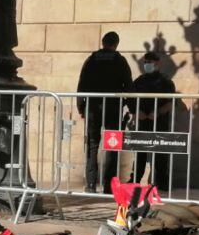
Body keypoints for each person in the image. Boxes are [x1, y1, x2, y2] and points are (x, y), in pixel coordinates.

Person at [76, 31, 133, 194]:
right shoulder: (120, 61)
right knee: (112, 146)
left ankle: (91, 185)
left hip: (93, 108)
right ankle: (109, 186)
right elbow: (128, 86)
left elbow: (82, 84)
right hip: (113, 109)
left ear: (103, 42)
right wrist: (132, 108)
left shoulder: (91, 60)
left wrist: (81, 107)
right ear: (116, 44)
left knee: (93, 145)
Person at [129, 50, 177, 193]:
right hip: (143, 122)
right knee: (140, 153)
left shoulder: (166, 82)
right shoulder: (139, 81)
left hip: (160, 122)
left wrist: (158, 113)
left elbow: (170, 102)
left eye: (149, 62)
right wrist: (136, 112)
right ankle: (136, 179)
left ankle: (162, 182)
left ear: (158, 63)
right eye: (145, 62)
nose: (147, 65)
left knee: (161, 153)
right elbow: (130, 99)